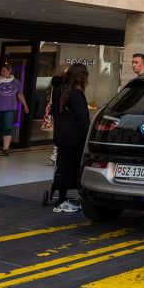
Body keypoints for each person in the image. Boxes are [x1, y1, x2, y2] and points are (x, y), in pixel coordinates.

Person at [51, 64, 91, 213]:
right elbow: (83, 119)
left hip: (61, 135)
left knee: (63, 168)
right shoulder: (77, 94)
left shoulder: (57, 91)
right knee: (77, 168)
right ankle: (64, 201)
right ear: (81, 77)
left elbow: (55, 113)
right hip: (75, 136)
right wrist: (86, 136)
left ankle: (61, 199)